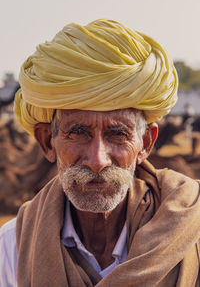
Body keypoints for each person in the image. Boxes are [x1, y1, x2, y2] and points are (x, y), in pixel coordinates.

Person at [1, 19, 200, 287]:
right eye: (78, 132)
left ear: (145, 143)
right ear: (48, 142)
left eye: (118, 134)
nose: (97, 160)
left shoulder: (193, 233)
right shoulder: (13, 248)